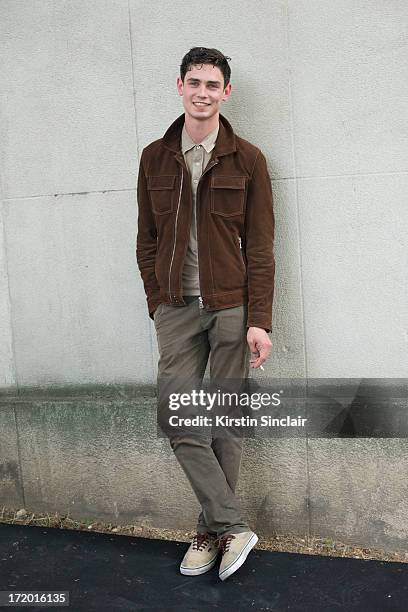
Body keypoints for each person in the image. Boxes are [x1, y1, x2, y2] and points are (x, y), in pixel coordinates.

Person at [136, 47, 275, 581]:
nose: (202, 92)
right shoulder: (154, 157)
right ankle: (232, 525)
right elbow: (146, 240)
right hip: (175, 307)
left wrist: (259, 319)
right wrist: (156, 302)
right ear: (179, 87)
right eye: (194, 82)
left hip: (232, 306)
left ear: (225, 93)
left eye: (212, 84)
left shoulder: (249, 160)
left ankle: (208, 531)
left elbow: (261, 248)